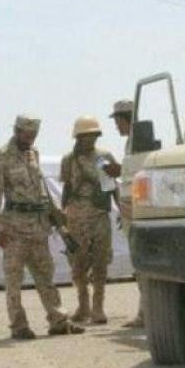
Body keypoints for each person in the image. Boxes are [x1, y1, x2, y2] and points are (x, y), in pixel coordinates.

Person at [0, 114, 86, 339]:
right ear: (17, 131)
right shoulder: (2, 156)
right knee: (14, 279)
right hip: (14, 228)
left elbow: (41, 188)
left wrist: (55, 215)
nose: (31, 138)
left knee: (45, 275)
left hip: (38, 226)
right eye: (27, 134)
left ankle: (59, 320)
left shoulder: (34, 153)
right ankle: (19, 325)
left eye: (34, 134)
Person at [61, 116, 121, 325]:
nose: (90, 139)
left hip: (99, 217)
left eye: (94, 135)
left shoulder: (105, 157)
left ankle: (98, 308)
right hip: (76, 218)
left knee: (100, 262)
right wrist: (62, 217)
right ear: (78, 137)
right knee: (77, 264)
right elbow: (67, 188)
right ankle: (83, 306)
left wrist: (121, 209)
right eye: (86, 136)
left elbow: (112, 186)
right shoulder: (69, 160)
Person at [110, 100, 145, 329]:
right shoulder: (133, 142)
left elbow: (140, 172)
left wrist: (116, 170)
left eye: (117, 121)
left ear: (126, 119)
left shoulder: (139, 142)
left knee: (141, 262)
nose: (116, 126)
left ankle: (146, 313)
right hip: (130, 207)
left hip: (136, 209)